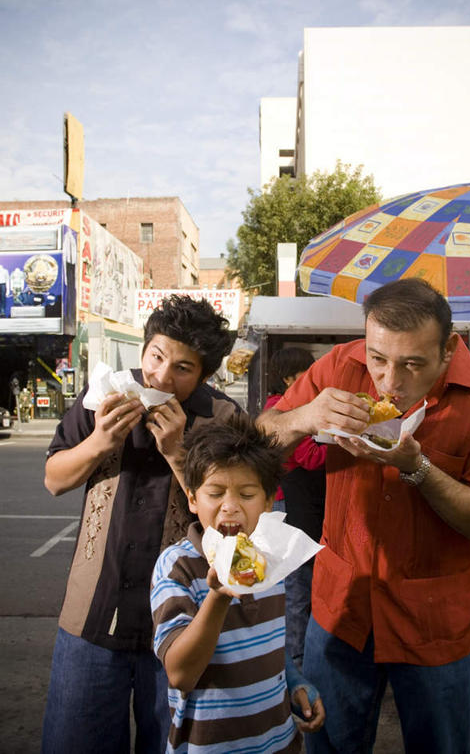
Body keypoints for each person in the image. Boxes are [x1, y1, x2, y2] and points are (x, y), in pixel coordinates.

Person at [258, 278, 470, 754]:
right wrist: (303, 416)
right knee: (327, 743)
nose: (389, 381)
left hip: (433, 624)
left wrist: (417, 468)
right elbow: (260, 438)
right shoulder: (341, 365)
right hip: (342, 609)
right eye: (378, 359)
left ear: (449, 350)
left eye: (412, 364)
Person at [41, 295, 241, 754]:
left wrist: (178, 451)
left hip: (180, 628)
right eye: (156, 356)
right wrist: (99, 441)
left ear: (205, 375)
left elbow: (232, 520)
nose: (161, 377)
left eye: (183, 369)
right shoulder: (104, 397)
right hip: (90, 620)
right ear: (144, 349)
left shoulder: (224, 418)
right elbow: (54, 479)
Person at [151, 415, 325, 753]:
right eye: (215, 493)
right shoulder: (178, 567)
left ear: (269, 499)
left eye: (246, 494)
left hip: (280, 743)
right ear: (192, 498)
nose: (230, 507)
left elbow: (268, 644)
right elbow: (181, 674)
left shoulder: (271, 560)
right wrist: (217, 596)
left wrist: (295, 683)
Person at [265, 347, 327, 667]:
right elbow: (311, 456)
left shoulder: (291, 406)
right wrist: (351, 441)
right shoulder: (281, 410)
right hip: (287, 506)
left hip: (296, 504)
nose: (314, 378)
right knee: (295, 586)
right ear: (289, 378)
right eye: (308, 372)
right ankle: (295, 661)